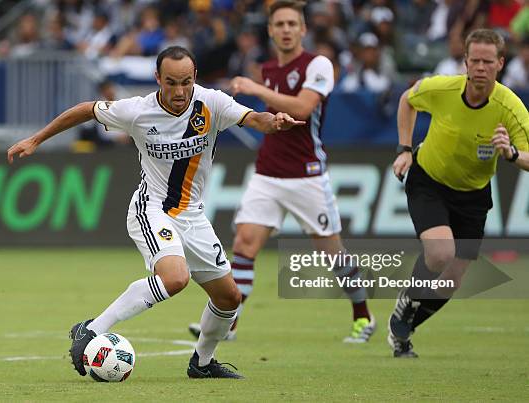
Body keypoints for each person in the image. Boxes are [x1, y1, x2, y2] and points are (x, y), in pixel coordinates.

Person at [6, 46, 303, 379]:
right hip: (153, 208)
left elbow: (254, 119)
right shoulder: (137, 111)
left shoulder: (211, 103)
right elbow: (85, 110)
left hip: (193, 216)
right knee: (176, 278)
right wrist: (36, 139)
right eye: (172, 83)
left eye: (186, 82)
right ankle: (91, 328)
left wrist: (273, 121)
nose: (179, 92)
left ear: (195, 79)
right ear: (158, 79)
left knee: (230, 297)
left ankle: (202, 364)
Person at [189, 0, 376, 344]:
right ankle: (229, 321)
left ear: (303, 29)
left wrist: (258, 89)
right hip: (268, 173)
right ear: (271, 31)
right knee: (244, 243)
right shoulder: (271, 69)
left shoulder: (318, 64)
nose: (287, 29)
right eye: (280, 24)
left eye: (293, 23)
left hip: (307, 175)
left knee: (332, 254)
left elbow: (304, 108)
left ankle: (363, 316)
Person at [388, 28, 529, 358]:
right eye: (475, 60)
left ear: (500, 64)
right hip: (429, 180)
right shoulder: (443, 87)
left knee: (451, 282)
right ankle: (407, 301)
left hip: (473, 194)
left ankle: (404, 328)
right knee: (440, 254)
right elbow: (408, 99)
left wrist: (510, 154)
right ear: (465, 62)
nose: (480, 67)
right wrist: (405, 148)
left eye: (488, 61)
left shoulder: (510, 107)